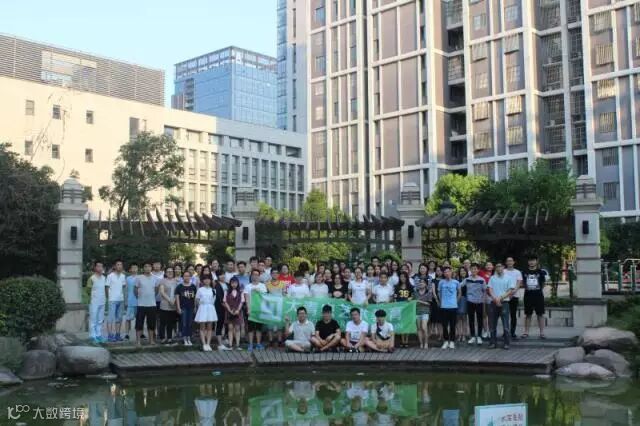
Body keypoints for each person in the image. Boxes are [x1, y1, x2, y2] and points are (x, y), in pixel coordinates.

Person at [487, 263, 516, 349]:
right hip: (493, 303)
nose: (499, 268)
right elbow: (490, 289)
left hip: (504, 303)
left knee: (506, 324)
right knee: (492, 324)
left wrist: (500, 298)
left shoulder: (508, 278)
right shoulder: (492, 278)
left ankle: (507, 343)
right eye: (497, 267)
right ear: (495, 268)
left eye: (500, 266)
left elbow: (510, 290)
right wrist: (495, 299)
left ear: (503, 267)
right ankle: (493, 343)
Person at [522, 255, 548, 339]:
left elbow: (543, 283)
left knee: (540, 314)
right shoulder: (524, 272)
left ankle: (542, 333)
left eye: (533, 260)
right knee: (528, 314)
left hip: (538, 295)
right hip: (528, 295)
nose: (531, 262)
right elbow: (522, 283)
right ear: (528, 262)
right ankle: (526, 332)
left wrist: (537, 289)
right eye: (530, 260)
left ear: (536, 261)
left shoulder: (541, 272)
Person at [135, 262, 158, 346]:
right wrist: (140, 297)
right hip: (141, 304)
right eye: (145, 266)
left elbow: (156, 290)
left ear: (151, 268)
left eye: (149, 266)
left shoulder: (155, 278)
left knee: (151, 324)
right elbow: (135, 290)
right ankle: (138, 341)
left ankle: (151, 340)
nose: (147, 268)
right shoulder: (139, 278)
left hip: (152, 304)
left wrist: (151, 296)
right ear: (143, 268)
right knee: (139, 323)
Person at [244, 269, 267, 351]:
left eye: (257, 275)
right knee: (250, 328)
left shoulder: (262, 286)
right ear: (251, 276)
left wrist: (259, 291)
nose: (255, 276)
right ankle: (250, 344)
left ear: (259, 276)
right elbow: (246, 299)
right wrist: (248, 309)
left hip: (260, 310)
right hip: (251, 309)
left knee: (258, 328)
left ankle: (258, 344)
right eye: (254, 274)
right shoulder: (248, 286)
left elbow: (265, 298)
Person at [438, 266, 461, 349]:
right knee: (444, 325)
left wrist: (456, 301)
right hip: (444, 307)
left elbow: (459, 293)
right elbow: (439, 293)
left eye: (448, 271)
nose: (447, 273)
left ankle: (452, 341)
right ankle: (445, 341)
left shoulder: (456, 282)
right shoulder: (441, 282)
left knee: (452, 325)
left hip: (453, 307)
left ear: (451, 272)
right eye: (445, 272)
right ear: (443, 274)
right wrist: (441, 302)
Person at [195, 273, 218, 351]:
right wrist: (201, 306)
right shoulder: (200, 289)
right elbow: (197, 300)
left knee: (209, 327)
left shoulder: (213, 290)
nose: (207, 280)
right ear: (203, 281)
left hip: (211, 308)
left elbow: (214, 300)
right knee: (202, 327)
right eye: (205, 279)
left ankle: (208, 344)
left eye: (208, 279)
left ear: (210, 280)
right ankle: (204, 344)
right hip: (202, 308)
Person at [464, 263, 486, 346]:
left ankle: (479, 336)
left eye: (475, 269)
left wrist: (483, 300)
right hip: (470, 302)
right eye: (472, 269)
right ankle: (472, 336)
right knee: (471, 319)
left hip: (479, 302)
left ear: (478, 270)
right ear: (470, 270)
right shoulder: (467, 279)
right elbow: (459, 285)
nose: (474, 270)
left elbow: (484, 291)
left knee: (480, 320)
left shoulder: (482, 280)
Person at [105, 260, 126, 342]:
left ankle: (117, 334)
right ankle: (110, 335)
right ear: (114, 266)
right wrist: (109, 297)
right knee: (110, 318)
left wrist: (122, 296)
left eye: (121, 265)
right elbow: (106, 287)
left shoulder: (123, 276)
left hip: (120, 300)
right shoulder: (110, 276)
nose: (119, 266)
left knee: (119, 318)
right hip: (112, 300)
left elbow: (123, 287)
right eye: (118, 264)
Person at [175, 270, 197, 346]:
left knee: (190, 323)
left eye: (188, 276)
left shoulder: (193, 286)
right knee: (184, 323)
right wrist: (178, 307)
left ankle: (189, 338)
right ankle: (184, 338)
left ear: (190, 277)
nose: (187, 277)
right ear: (183, 277)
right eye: (185, 276)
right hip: (183, 307)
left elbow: (195, 298)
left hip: (191, 307)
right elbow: (177, 298)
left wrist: (195, 307)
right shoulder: (179, 287)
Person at [504, 257, 523, 339]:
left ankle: (512, 332)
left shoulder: (517, 272)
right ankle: (505, 332)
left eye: (511, 261)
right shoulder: (503, 271)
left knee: (513, 314)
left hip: (514, 296)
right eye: (508, 261)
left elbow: (519, 283)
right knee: (505, 315)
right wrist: (507, 294)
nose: (509, 262)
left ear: (514, 262)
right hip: (505, 296)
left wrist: (513, 292)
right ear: (506, 263)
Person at [157, 266, 178, 344]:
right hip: (165, 304)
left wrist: (174, 300)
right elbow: (162, 292)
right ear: (165, 273)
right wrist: (170, 300)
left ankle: (169, 337)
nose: (170, 273)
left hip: (173, 305)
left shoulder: (176, 281)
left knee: (171, 322)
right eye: (168, 272)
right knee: (163, 322)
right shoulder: (162, 281)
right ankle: (162, 337)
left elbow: (177, 292)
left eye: (171, 271)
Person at [87, 261, 107, 344]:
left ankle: (98, 335)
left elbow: (105, 289)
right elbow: (88, 290)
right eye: (98, 266)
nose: (100, 268)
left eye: (101, 266)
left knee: (100, 319)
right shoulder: (91, 278)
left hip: (102, 301)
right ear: (95, 267)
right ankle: (92, 336)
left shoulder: (104, 278)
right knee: (93, 319)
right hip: (94, 302)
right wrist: (93, 297)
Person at [223, 277, 244, 350]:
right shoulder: (226, 291)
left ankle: (238, 345)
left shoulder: (240, 292)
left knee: (237, 328)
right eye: (232, 283)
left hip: (238, 312)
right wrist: (230, 310)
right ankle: (230, 345)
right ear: (230, 284)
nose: (234, 284)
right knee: (230, 328)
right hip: (229, 312)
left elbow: (242, 302)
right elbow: (225, 302)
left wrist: (238, 310)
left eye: (235, 283)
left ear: (237, 283)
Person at [414, 278, 433, 349]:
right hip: (417, 312)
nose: (421, 283)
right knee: (419, 328)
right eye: (420, 282)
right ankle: (421, 343)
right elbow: (413, 301)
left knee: (424, 327)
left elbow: (429, 304)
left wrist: (419, 301)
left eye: (423, 282)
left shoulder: (429, 293)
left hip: (425, 312)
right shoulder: (415, 293)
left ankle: (426, 343)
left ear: (426, 284)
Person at [394, 272, 413, 347]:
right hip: (400, 308)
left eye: (404, 277)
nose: (403, 278)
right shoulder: (397, 287)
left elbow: (413, 295)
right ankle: (402, 341)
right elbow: (395, 297)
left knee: (407, 324)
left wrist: (411, 298)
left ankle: (406, 340)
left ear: (407, 278)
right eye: (401, 277)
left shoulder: (410, 286)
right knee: (401, 324)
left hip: (408, 308)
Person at [212, 275, 229, 350]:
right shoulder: (217, 285)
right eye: (220, 275)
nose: (222, 276)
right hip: (220, 307)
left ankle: (225, 339)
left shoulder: (227, 284)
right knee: (219, 324)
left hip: (228, 307)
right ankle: (220, 343)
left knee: (227, 324)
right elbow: (219, 298)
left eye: (223, 274)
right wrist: (226, 306)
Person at [124, 263, 138, 341]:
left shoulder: (140, 278)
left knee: (139, 319)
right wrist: (126, 301)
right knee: (128, 318)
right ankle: (127, 334)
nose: (134, 269)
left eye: (136, 267)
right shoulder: (128, 279)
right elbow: (126, 290)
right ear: (130, 269)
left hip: (139, 302)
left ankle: (140, 333)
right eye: (133, 268)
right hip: (130, 301)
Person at [455, 267, 468, 343]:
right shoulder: (456, 281)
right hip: (457, 299)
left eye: (464, 271)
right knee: (458, 318)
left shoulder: (469, 279)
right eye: (461, 271)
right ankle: (459, 334)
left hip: (466, 300)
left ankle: (464, 334)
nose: (462, 272)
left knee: (464, 318)